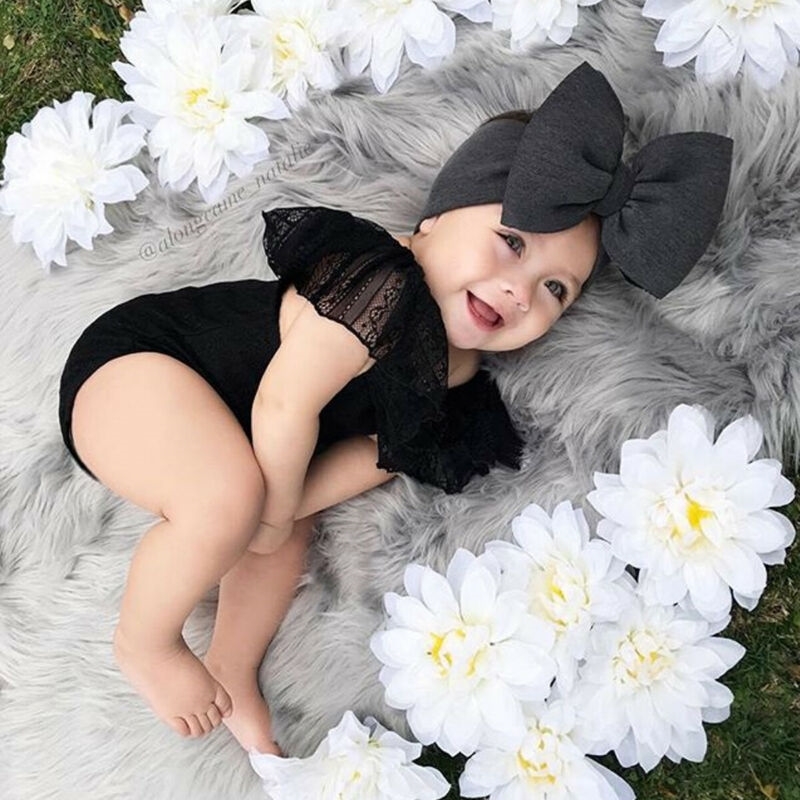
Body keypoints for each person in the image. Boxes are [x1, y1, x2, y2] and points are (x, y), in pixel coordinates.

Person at [56, 61, 733, 756]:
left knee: (281, 528)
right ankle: (144, 642)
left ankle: (232, 664)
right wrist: (267, 509)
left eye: (555, 289)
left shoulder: (459, 377)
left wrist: (283, 512)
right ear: (432, 222)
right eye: (511, 244)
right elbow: (285, 402)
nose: (518, 290)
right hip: (139, 372)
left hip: (240, 434)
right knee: (233, 499)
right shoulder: (376, 283)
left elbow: (372, 456)